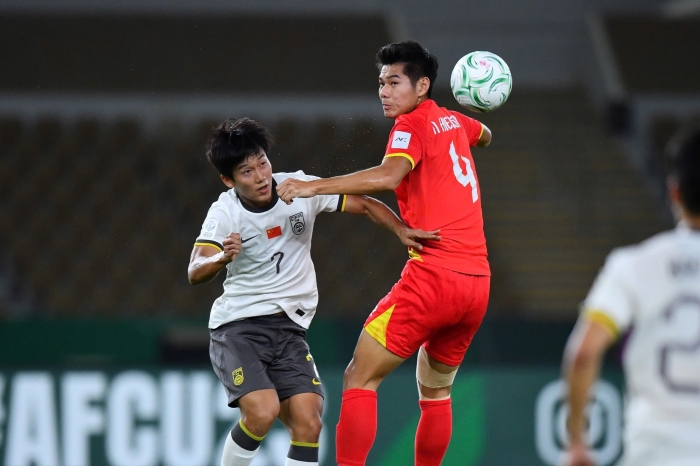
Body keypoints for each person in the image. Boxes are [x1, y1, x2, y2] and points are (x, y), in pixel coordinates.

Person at [277, 40, 493, 466]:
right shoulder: (454, 121)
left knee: (359, 377)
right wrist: (475, 106)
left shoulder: (410, 125)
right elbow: (486, 135)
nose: (384, 92)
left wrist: (312, 186)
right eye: (381, 83)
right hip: (477, 285)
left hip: (435, 276)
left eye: (394, 82)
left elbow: (390, 175)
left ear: (422, 86)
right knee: (436, 390)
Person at [187, 117, 439, 466]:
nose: (260, 176)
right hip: (239, 328)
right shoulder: (226, 212)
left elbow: (365, 204)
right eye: (246, 171)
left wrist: (400, 230)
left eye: (263, 163)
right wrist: (221, 257)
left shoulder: (299, 188)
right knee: (262, 412)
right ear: (228, 180)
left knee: (309, 422)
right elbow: (195, 270)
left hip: (289, 329)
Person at [561, 124, 700, 466]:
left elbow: (583, 354)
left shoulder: (634, 265)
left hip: (655, 451)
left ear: (675, 192)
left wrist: (576, 440)